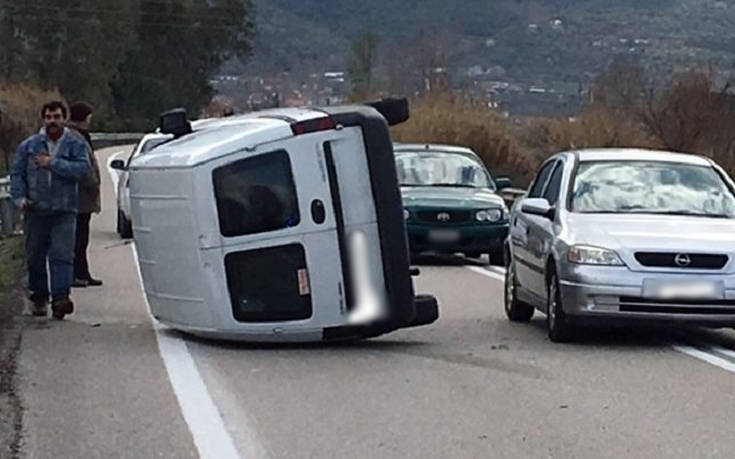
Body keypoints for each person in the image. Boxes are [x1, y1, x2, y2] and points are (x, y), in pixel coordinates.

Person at [10, 101, 91, 319]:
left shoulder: (75, 144)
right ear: (43, 120)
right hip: (35, 210)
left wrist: (53, 163)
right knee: (35, 257)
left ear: (64, 118)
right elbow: (17, 173)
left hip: (64, 210)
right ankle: (39, 297)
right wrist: (19, 198)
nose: (52, 121)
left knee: (62, 255)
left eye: (56, 116)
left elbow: (84, 169)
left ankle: (61, 299)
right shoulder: (29, 146)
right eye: (48, 117)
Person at [67, 101, 102, 287]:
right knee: (77, 239)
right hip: (78, 196)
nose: (90, 121)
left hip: (83, 198)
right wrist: (92, 182)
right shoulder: (74, 137)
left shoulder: (81, 135)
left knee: (82, 237)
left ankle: (83, 273)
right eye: (88, 118)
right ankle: (76, 274)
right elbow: (83, 167)